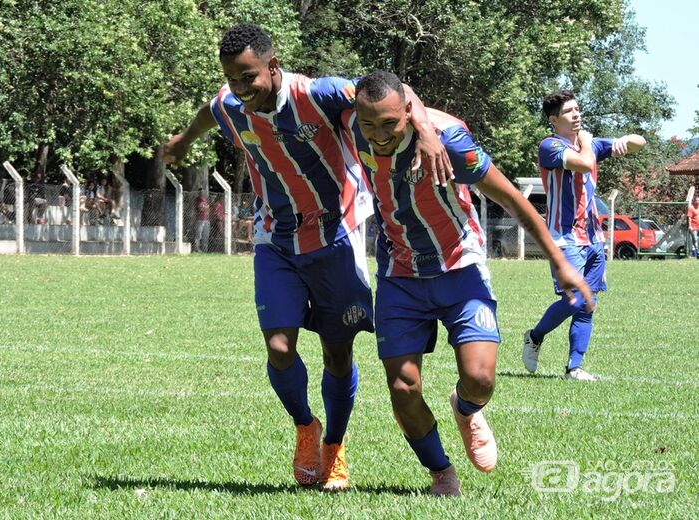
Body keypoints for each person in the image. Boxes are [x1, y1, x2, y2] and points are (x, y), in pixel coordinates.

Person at [163, 23, 452, 492]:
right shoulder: (229, 104)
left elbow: (394, 93)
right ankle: (305, 428)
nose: (240, 89)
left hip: (336, 239)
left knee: (337, 356)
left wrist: (425, 130)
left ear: (273, 67)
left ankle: (335, 449)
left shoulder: (320, 94)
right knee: (279, 347)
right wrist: (182, 141)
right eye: (232, 79)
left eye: (248, 77)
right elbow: (208, 113)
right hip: (275, 240)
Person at [343, 71, 593, 496]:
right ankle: (441, 473)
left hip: (461, 265)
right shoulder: (350, 120)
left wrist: (560, 263)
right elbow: (352, 87)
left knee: (480, 380)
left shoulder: (452, 143)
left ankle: (466, 410)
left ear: (407, 111)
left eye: (390, 124)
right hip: (399, 273)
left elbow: (512, 199)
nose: (379, 135)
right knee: (403, 387)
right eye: (370, 125)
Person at [523, 89, 646, 381]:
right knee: (574, 300)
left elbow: (639, 143)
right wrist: (590, 143)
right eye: (568, 111)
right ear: (554, 120)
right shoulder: (549, 146)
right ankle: (535, 336)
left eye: (577, 109)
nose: (576, 114)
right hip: (564, 238)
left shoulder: (587, 144)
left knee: (588, 304)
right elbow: (582, 162)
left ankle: (573, 368)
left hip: (593, 238)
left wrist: (624, 142)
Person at [688, 194, 699, 258]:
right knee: (694, 240)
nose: (698, 201)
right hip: (694, 227)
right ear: (694, 201)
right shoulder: (691, 208)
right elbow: (689, 218)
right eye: (696, 200)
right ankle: (697, 253)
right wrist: (690, 226)